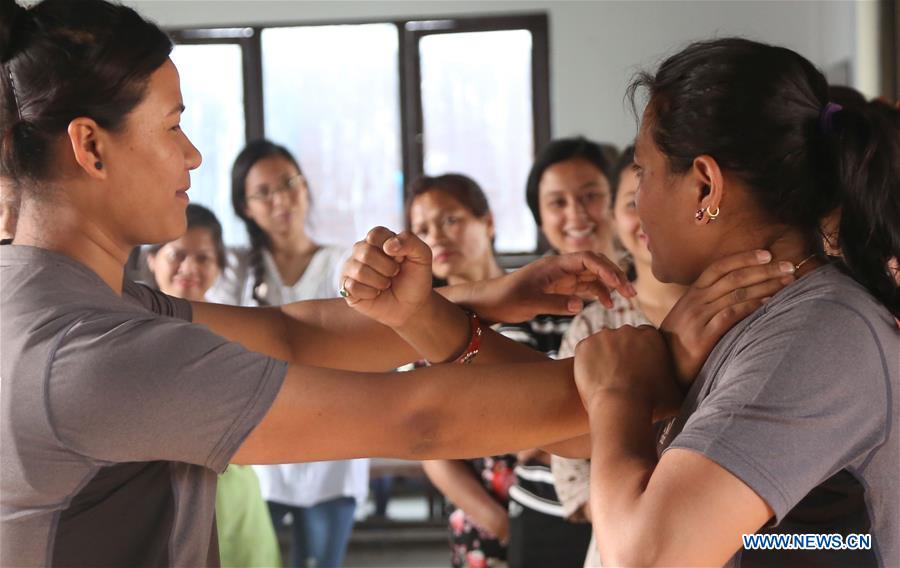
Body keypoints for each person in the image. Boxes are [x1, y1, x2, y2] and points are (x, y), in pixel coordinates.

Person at [0, 2, 791, 565]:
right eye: (173, 125)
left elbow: (289, 332)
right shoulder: (87, 351)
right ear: (90, 148)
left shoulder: (71, 301)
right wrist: (662, 368)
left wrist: (474, 301)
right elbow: (418, 421)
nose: (194, 157)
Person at [572, 38, 900, 566]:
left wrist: (618, 393)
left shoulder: (817, 333)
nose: (635, 203)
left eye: (643, 172)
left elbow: (643, 559)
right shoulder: (756, 314)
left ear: (705, 187)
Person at [208, 140, 366, 568]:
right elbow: (215, 341)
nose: (281, 199)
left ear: (305, 187)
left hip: (333, 457)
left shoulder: (340, 262)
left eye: (289, 183)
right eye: (264, 192)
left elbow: (358, 341)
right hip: (259, 461)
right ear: (245, 206)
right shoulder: (235, 267)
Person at [550, 146, 691, 567]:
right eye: (632, 202)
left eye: (659, 197)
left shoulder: (731, 308)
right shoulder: (594, 328)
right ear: (612, 216)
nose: (646, 214)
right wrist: (628, 518)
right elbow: (569, 469)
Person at [147, 203, 281, 568]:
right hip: (155, 491)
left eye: (203, 258)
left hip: (233, 487)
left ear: (219, 266)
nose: (189, 268)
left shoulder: (238, 329)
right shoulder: (130, 328)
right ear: (152, 260)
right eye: (177, 255)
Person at [506, 137, 619, 567]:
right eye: (557, 202)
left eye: (591, 195)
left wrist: (561, 425)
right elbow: (517, 429)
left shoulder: (651, 291)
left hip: (639, 515)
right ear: (539, 215)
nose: (576, 214)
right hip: (546, 514)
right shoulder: (523, 299)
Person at [406, 173, 519, 567]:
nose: (436, 236)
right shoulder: (424, 326)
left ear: (487, 222)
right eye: (421, 229)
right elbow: (430, 447)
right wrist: (497, 522)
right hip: (482, 521)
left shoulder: (544, 304)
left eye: (450, 220)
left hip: (564, 506)